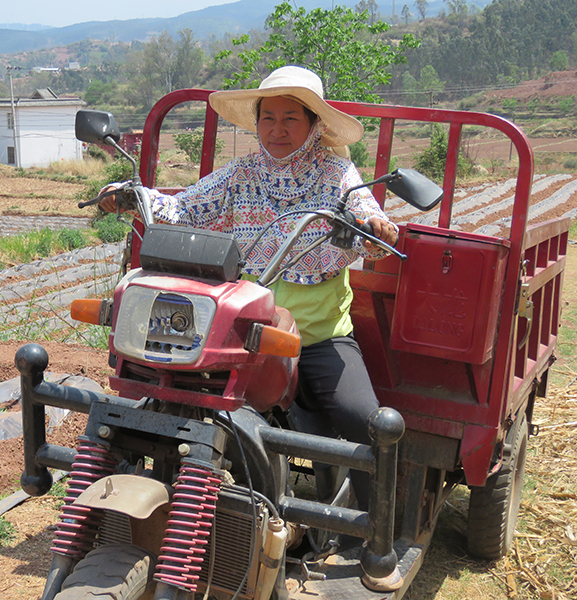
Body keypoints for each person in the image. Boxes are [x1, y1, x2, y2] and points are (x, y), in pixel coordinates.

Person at [100, 66, 398, 512]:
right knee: (165, 398)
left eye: (291, 118)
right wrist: (134, 196)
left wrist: (376, 227)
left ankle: (377, 542)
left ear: (315, 124)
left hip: (315, 338)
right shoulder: (240, 174)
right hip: (244, 335)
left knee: (367, 423)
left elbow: (365, 211)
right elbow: (184, 207)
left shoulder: (336, 173)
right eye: (268, 118)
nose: (277, 130)